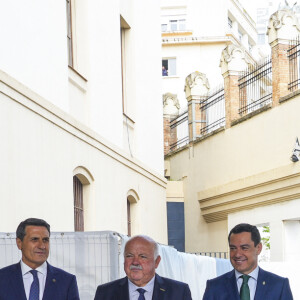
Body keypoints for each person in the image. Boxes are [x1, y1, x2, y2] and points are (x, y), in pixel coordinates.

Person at [202, 223, 293, 300]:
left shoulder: (279, 286)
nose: (237, 254)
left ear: (258, 248)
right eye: (233, 248)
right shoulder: (214, 287)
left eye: (244, 248)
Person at [0, 218, 80, 300]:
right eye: (35, 239)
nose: (42, 246)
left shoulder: (66, 281)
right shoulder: (2, 278)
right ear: (19, 243)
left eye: (45, 240)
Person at [94, 235, 192, 300]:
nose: (135, 262)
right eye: (129, 256)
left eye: (143, 256)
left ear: (156, 262)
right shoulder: (105, 293)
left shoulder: (179, 292)